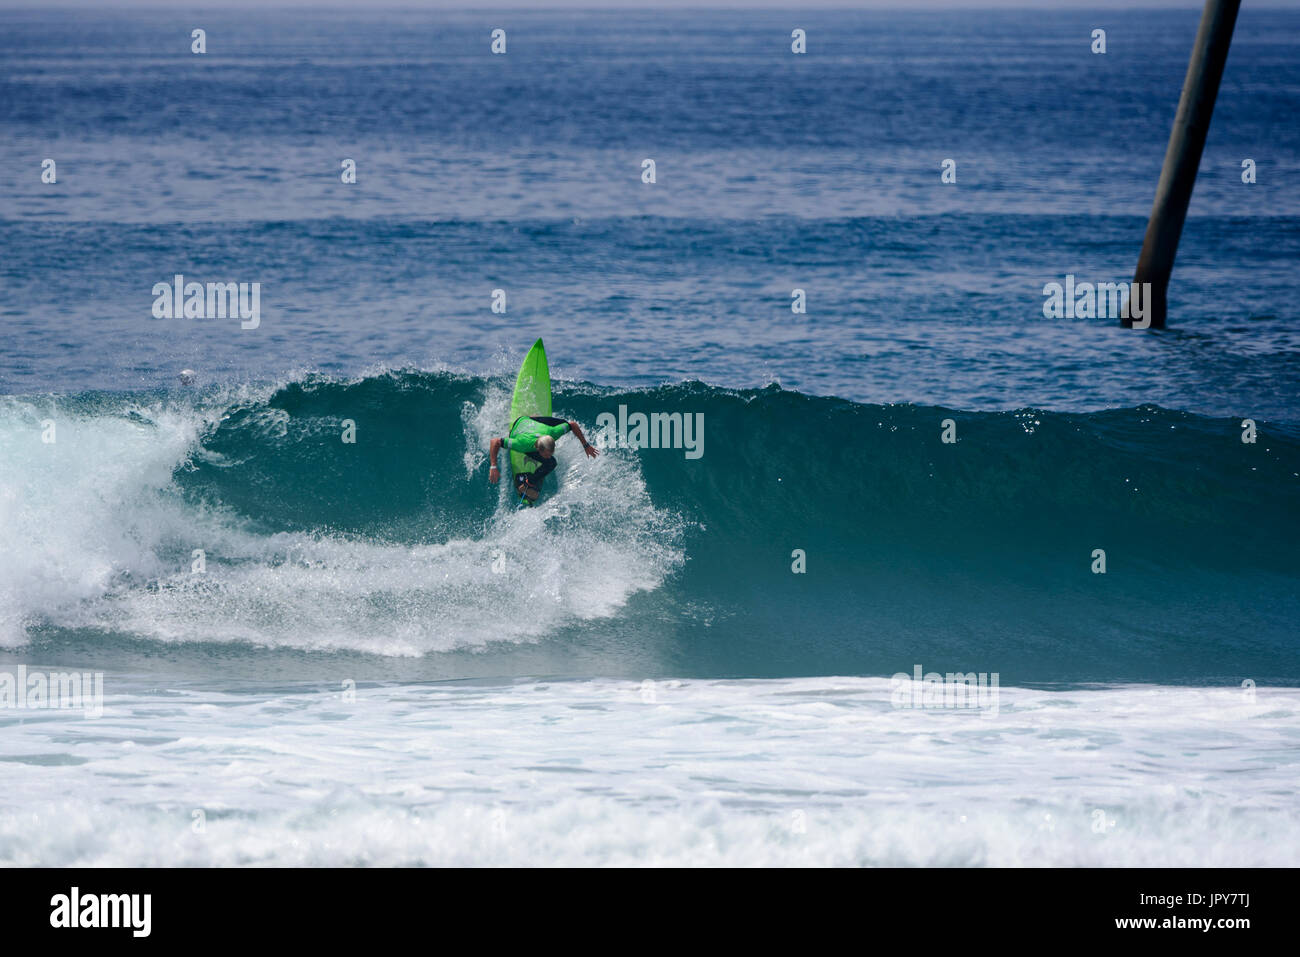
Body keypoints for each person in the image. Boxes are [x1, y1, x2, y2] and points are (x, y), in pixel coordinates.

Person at [488, 415, 598, 502]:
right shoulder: (521, 444)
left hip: (532, 422)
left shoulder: (553, 433)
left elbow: (572, 425)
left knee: (563, 422)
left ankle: (534, 417)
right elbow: (495, 441)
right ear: (538, 450)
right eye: (546, 454)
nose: (549, 456)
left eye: (551, 453)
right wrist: (493, 466)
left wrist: (586, 445)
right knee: (551, 463)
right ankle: (524, 481)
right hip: (519, 428)